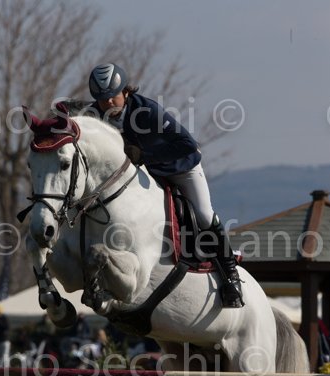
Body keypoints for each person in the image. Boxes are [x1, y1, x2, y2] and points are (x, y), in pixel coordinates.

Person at [88, 63, 244, 308]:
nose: (107, 103)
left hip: (181, 167)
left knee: (204, 215)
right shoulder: (95, 113)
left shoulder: (147, 111)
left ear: (126, 92)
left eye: (112, 96)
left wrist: (146, 156)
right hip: (148, 174)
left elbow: (187, 144)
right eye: (101, 99)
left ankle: (230, 274)